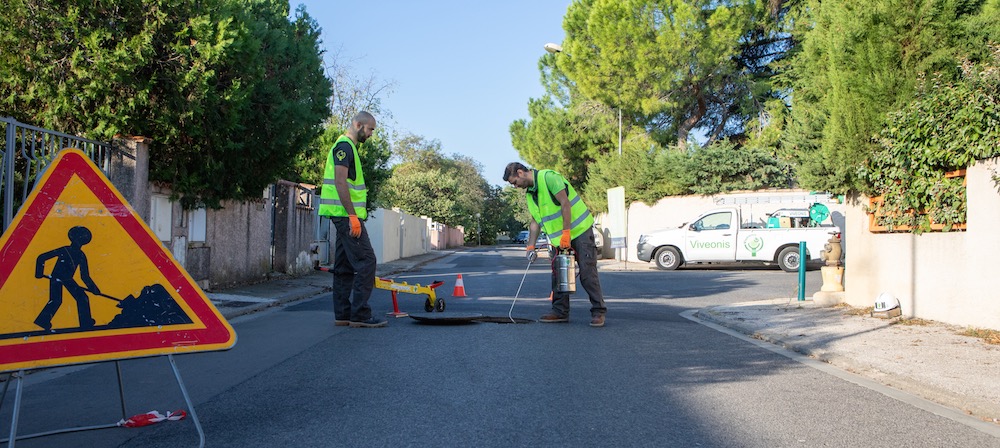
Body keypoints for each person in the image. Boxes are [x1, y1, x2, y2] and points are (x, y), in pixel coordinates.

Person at [503, 162, 607, 327]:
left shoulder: (549, 178)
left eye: (514, 182)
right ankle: (560, 312)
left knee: (587, 273)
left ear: (521, 172)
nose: (516, 187)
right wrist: (531, 246)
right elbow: (535, 222)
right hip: (559, 240)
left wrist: (567, 233)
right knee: (559, 275)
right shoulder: (531, 195)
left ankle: (598, 311)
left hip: (579, 231)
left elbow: (565, 204)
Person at [318, 111, 386, 328]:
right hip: (346, 217)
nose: (371, 134)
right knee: (367, 261)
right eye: (370, 129)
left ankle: (343, 315)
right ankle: (360, 314)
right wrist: (352, 216)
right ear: (358, 124)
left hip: (341, 217)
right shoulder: (345, 147)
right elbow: (340, 183)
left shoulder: (347, 148)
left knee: (344, 265)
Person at [34, 226, 100, 331]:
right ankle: (43, 320)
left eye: (81, 240)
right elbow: (42, 257)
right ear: (73, 239)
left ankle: (85, 322)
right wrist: (38, 272)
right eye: (78, 239)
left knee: (82, 298)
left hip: (68, 279)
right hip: (56, 278)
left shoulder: (81, 255)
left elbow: (84, 275)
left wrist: (94, 288)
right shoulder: (64, 250)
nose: (79, 242)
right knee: (56, 300)